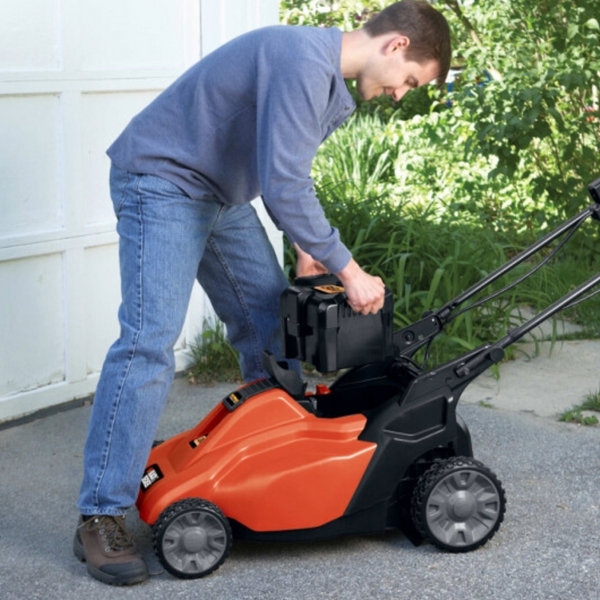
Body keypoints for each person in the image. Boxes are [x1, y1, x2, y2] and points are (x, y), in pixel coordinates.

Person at [73, 0, 451, 586]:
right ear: (395, 45)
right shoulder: (301, 58)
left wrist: (309, 251)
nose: (402, 93)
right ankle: (100, 513)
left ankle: (263, 469)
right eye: (410, 81)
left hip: (217, 195)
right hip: (164, 179)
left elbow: (288, 166)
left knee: (269, 331)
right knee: (148, 342)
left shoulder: (334, 86)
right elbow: (283, 187)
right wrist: (348, 270)